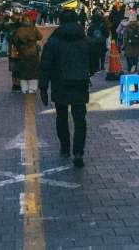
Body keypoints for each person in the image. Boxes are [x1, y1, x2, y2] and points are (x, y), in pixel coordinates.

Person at [40, 10, 98, 168]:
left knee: (61, 117)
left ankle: (65, 148)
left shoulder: (53, 42)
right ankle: (78, 152)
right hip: (80, 83)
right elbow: (95, 64)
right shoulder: (86, 40)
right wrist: (87, 73)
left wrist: (43, 88)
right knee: (80, 119)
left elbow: (45, 66)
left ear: (61, 21)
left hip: (60, 83)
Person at [14, 15, 43, 93]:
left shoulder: (19, 29)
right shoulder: (34, 28)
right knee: (33, 69)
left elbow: (15, 41)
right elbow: (40, 37)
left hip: (23, 50)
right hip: (33, 50)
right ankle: (32, 88)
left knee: (23, 70)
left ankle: (24, 88)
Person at [4, 10, 24, 92]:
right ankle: (15, 85)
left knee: (18, 69)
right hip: (13, 49)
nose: (18, 17)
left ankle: (17, 85)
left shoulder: (20, 25)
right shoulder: (10, 25)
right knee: (15, 69)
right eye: (17, 15)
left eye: (19, 15)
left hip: (18, 49)